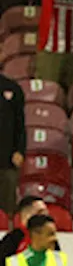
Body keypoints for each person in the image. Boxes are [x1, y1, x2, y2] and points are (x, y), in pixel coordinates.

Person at [0, 197, 48, 266]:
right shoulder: (13, 239)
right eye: (41, 212)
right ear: (27, 215)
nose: (46, 216)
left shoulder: (49, 240)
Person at [0, 74, 23, 217]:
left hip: (6, 160)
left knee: (8, 208)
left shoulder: (11, 88)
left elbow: (20, 123)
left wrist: (20, 150)